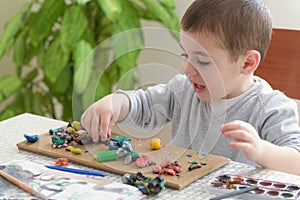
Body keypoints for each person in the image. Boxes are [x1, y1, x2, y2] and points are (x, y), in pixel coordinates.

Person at [81, 0, 300, 174]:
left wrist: (261, 151)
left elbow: (296, 162)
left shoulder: (273, 108)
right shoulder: (184, 89)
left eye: (203, 61)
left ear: (247, 63)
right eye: (185, 54)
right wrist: (116, 102)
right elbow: (145, 104)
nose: (187, 68)